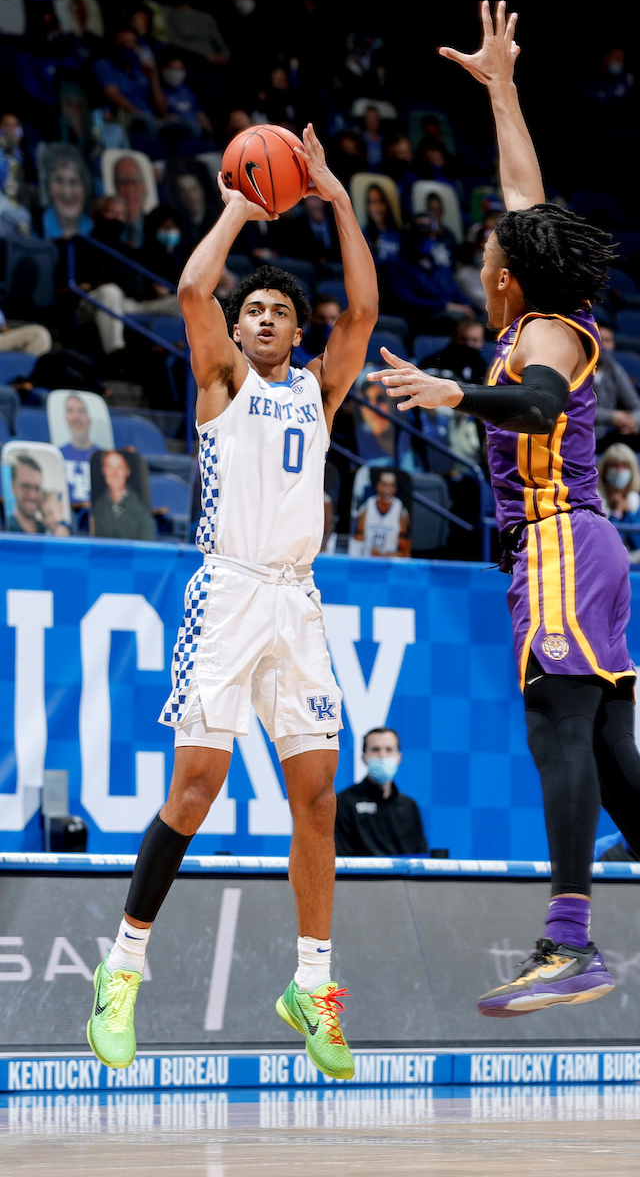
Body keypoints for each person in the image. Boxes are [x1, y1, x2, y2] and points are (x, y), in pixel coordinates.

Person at [370, 3, 640, 1055]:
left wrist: (454, 396)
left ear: (508, 273)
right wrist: (499, 89)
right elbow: (522, 197)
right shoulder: (540, 296)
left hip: (555, 543)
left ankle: (569, 938)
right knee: (611, 760)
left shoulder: (542, 331)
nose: (482, 251)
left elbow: (538, 405)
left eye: (488, 250)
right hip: (577, 548)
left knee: (558, 729)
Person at [85, 124, 378, 1082]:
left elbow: (364, 310)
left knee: (318, 802)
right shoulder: (220, 385)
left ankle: (313, 984)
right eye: (250, 309)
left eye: (274, 313)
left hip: (298, 604)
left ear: (295, 332)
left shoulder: (319, 396)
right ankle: (122, 967)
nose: (257, 319)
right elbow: (188, 290)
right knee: (196, 790)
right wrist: (240, 208)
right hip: (229, 592)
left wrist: (334, 200)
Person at [335, 728, 427, 857]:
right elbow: (343, 855)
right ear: (364, 757)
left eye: (389, 749)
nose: (382, 755)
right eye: (375, 749)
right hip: (361, 877)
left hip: (402, 877)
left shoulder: (409, 806)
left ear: (399, 757)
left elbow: (419, 854)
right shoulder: (344, 803)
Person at [597, 445, 640, 566]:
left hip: (627, 553)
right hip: (601, 556)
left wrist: (628, 513)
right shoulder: (596, 496)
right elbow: (605, 541)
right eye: (615, 466)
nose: (620, 471)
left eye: (624, 466)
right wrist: (616, 512)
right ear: (605, 470)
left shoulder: (633, 498)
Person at [594, 325, 640, 447]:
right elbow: (572, 408)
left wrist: (632, 421)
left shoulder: (614, 370)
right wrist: (612, 417)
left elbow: (639, 409)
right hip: (580, 433)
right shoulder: (576, 369)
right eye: (600, 339)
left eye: (608, 341)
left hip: (607, 436)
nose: (604, 346)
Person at [92, 450, 155, 542]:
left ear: (127, 471)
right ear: (103, 471)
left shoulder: (141, 507)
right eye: (110, 467)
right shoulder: (98, 507)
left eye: (119, 467)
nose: (115, 474)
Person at [353, 469, 411, 557]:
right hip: (367, 561)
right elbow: (356, 542)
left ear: (395, 489)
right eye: (384, 485)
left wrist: (382, 555)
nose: (387, 489)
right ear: (377, 486)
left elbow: (405, 552)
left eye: (391, 486)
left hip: (389, 564)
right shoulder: (367, 507)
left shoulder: (400, 512)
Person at [41, 143, 93, 240]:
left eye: (74, 182)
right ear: (47, 187)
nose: (67, 192)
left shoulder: (97, 233)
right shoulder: (34, 231)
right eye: (58, 181)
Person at [59, 393, 98, 504]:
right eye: (70, 411)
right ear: (65, 418)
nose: (76, 417)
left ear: (89, 419)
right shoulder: (57, 455)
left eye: (81, 411)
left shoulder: (103, 457)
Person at [7, 454, 45, 533]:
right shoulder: (6, 529)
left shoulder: (48, 531)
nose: (32, 495)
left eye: (37, 488)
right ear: (13, 487)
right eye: (25, 486)